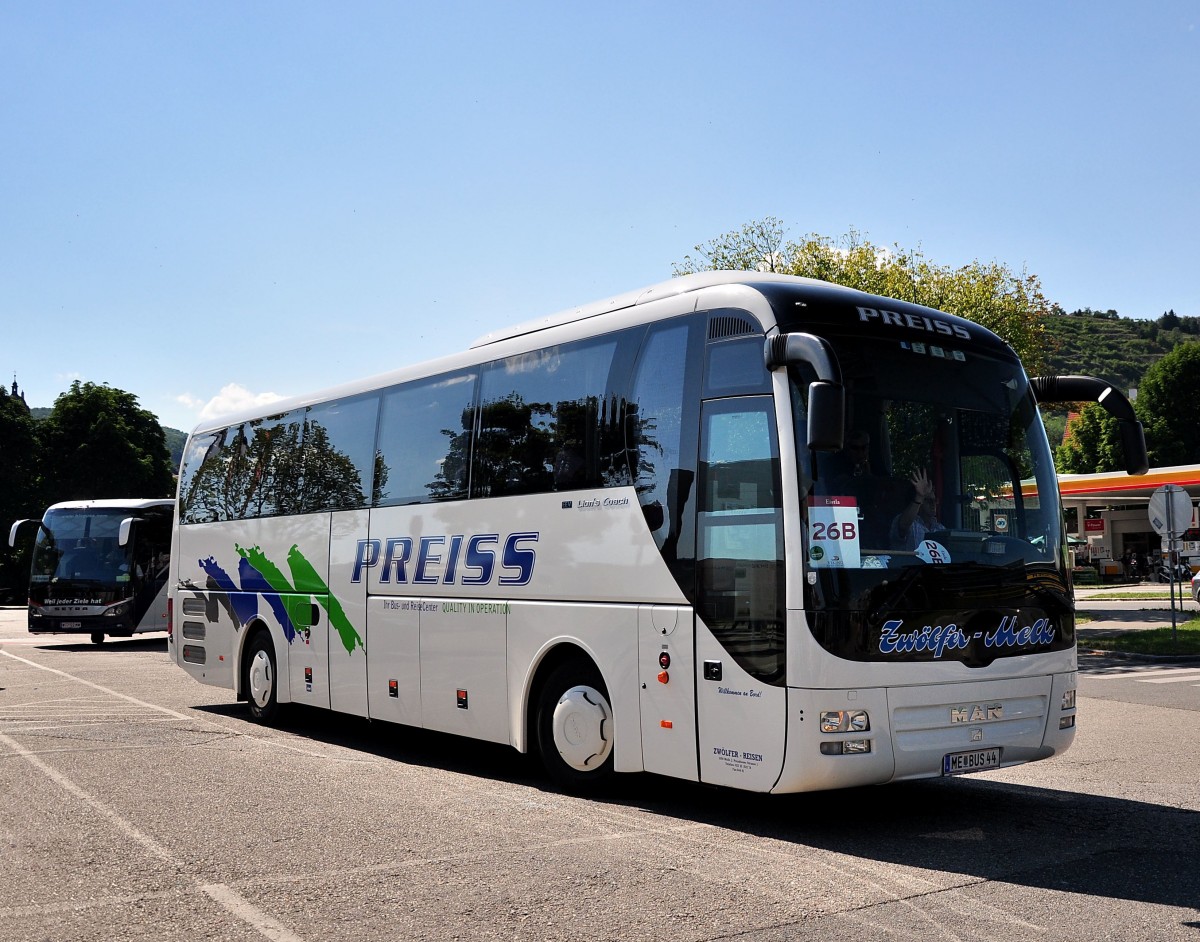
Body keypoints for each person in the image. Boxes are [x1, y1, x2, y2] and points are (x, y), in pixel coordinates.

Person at [890, 468, 943, 551]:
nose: (933, 504)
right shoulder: (909, 523)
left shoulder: (940, 528)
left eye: (934, 500)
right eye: (928, 500)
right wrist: (919, 496)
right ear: (920, 502)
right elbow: (903, 526)